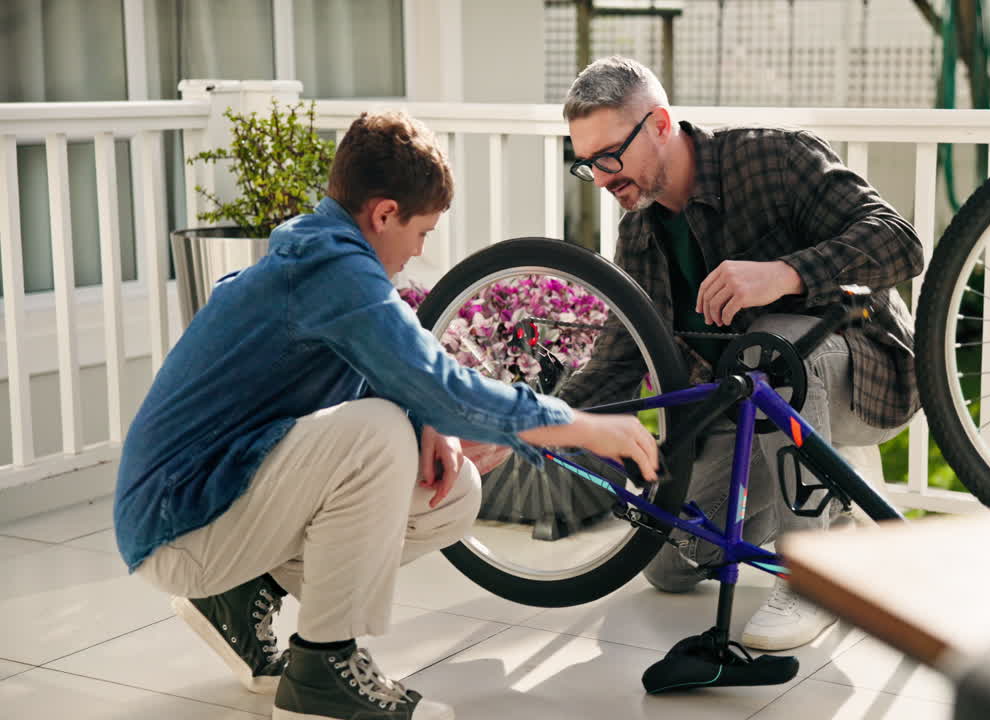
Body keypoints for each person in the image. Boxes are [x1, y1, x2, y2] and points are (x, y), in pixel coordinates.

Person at [114, 111, 658, 720]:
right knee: (374, 436)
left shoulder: (322, 253)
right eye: (422, 231)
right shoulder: (336, 271)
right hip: (177, 521)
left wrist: (424, 417)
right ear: (383, 214)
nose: (421, 250)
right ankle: (322, 674)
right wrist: (585, 426)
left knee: (452, 493)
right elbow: (443, 385)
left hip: (215, 499)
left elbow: (396, 374)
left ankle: (240, 598)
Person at [556, 57, 924, 651]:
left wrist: (784, 274)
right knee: (670, 564)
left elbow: (898, 241)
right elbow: (620, 356)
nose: (599, 178)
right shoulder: (640, 233)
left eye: (608, 157)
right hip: (745, 408)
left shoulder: (775, 159)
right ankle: (833, 508)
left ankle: (815, 574)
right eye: (585, 164)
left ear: (658, 123)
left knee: (773, 343)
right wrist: (530, 420)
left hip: (861, 370)